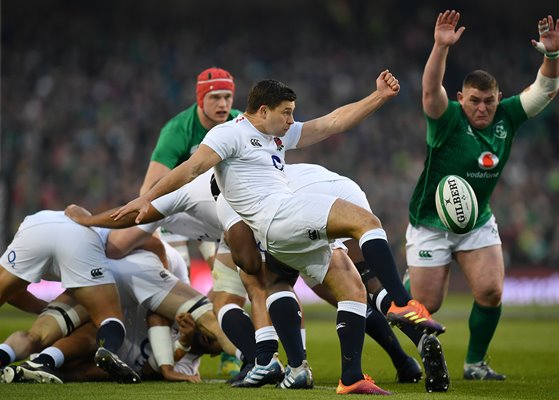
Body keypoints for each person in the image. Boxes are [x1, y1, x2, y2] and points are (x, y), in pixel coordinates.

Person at [110, 70, 444, 395]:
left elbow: (332, 122)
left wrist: (379, 97)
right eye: (286, 113)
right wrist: (146, 196)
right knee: (366, 221)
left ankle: (352, 378)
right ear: (263, 110)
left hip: (281, 232)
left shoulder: (277, 134)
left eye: (292, 113)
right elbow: (191, 168)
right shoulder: (229, 134)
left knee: (352, 288)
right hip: (278, 215)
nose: (290, 120)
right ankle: (402, 303)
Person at [404, 10, 559, 381]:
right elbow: (430, 91)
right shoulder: (447, 118)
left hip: (476, 220)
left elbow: (545, 90)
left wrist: (552, 56)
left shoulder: (508, 116)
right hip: (430, 220)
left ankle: (475, 364)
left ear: (498, 98)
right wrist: (440, 48)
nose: (482, 108)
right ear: (462, 98)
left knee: (491, 291)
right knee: (426, 304)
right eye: (475, 100)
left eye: (489, 101)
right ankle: (398, 291)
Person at [139, 66, 241, 378]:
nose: (223, 104)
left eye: (228, 96)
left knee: (231, 278)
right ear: (200, 100)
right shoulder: (178, 129)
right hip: (178, 215)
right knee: (176, 285)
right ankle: (175, 351)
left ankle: (229, 349)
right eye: (215, 97)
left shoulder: (240, 123)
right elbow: (149, 189)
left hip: (214, 213)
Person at [0, 211, 140, 383]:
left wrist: (46, 310)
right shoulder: (117, 235)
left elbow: (12, 294)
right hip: (79, 238)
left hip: (34, 227)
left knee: (36, 335)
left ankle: (5, 354)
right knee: (108, 318)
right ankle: (108, 351)